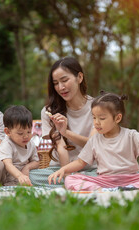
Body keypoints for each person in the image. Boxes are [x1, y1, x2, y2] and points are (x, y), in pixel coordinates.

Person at [48, 91, 139, 191]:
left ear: (117, 118)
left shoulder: (131, 135)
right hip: (104, 181)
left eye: (102, 118)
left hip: (132, 178)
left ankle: (131, 187)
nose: (96, 123)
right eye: (94, 118)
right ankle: (102, 190)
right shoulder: (94, 140)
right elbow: (81, 162)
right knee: (71, 179)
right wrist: (63, 169)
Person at [29, 57, 98, 187]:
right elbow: (61, 147)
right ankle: (77, 182)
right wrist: (66, 175)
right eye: (55, 83)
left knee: (128, 172)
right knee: (31, 176)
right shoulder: (49, 111)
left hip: (91, 168)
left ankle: (79, 181)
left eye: (65, 80)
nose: (61, 87)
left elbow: (92, 145)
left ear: (80, 77)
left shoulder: (97, 107)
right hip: (61, 168)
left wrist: (65, 132)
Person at [0, 105, 40, 186]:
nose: (26, 136)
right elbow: (8, 164)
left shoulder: (30, 144)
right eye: (20, 133)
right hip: (2, 177)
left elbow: (36, 162)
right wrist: (20, 175)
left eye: (29, 132)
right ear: (7, 132)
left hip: (18, 178)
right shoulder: (7, 144)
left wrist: (27, 167)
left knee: (39, 173)